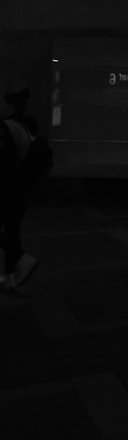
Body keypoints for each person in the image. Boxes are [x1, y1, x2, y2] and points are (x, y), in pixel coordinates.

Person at [1, 88, 41, 292]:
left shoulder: (7, 127)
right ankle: (9, 279)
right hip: (20, 188)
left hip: (7, 188)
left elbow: (4, 161)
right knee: (12, 230)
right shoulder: (26, 126)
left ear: (8, 105)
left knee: (9, 232)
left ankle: (20, 259)